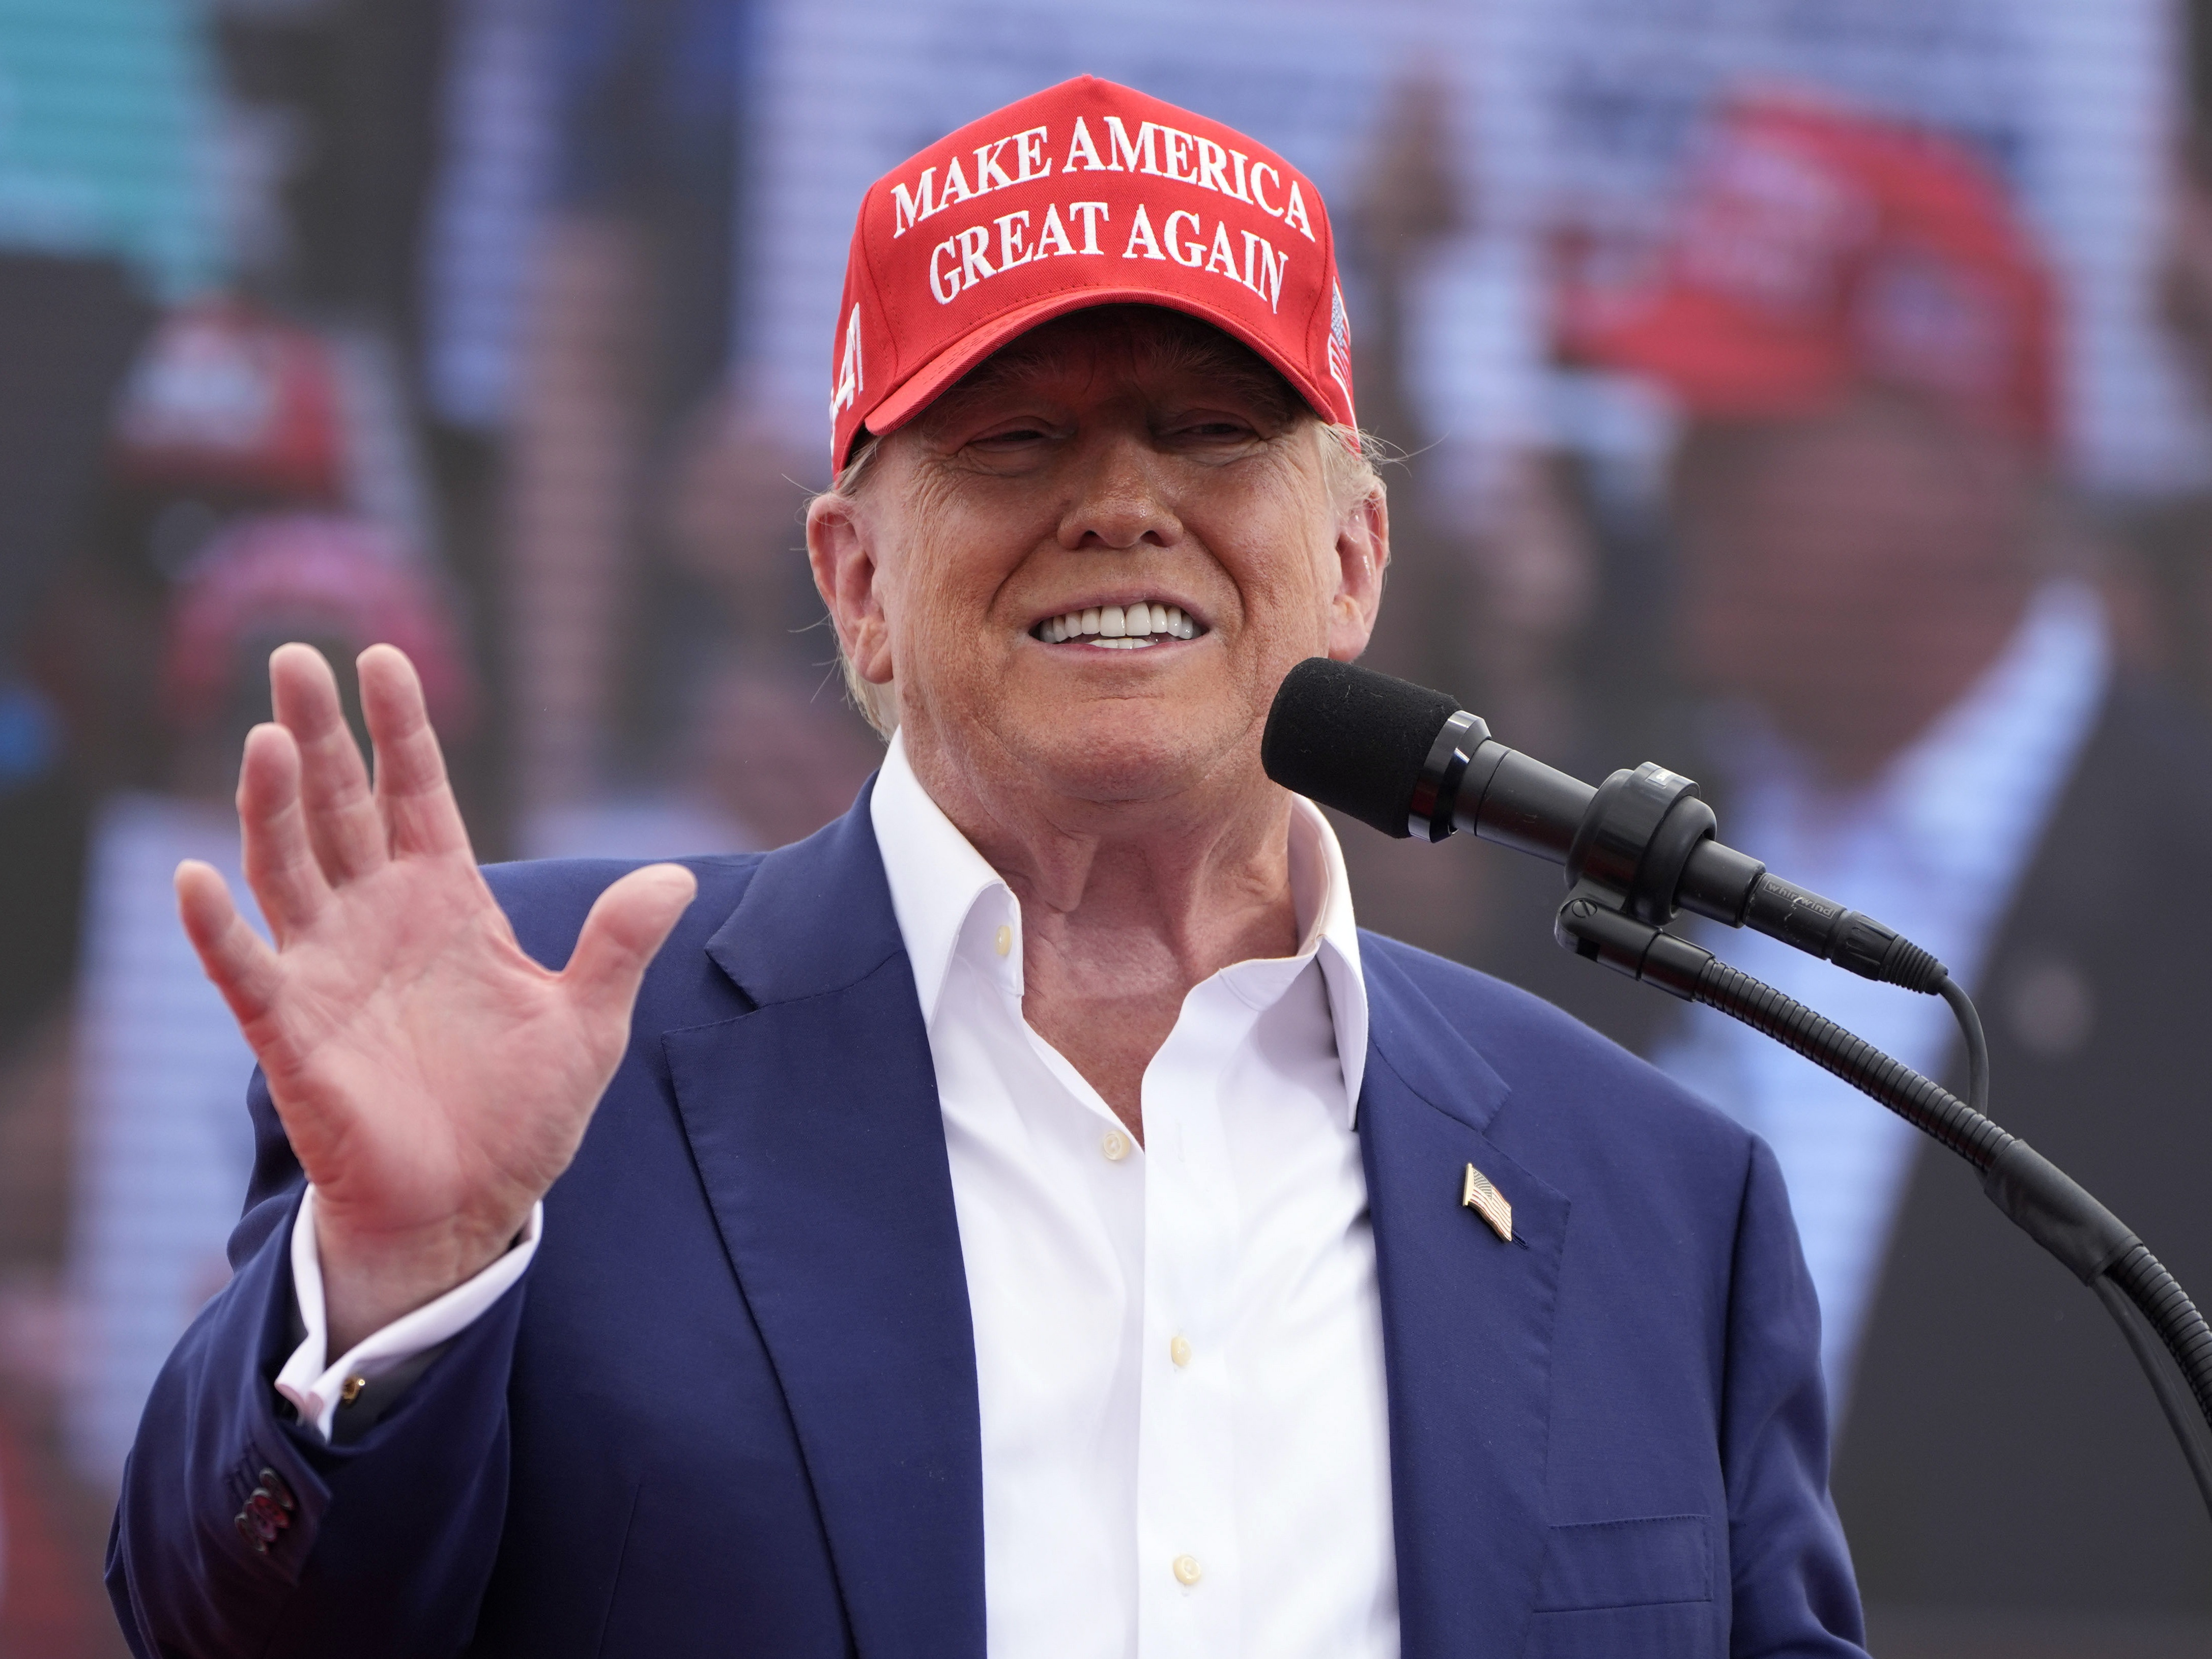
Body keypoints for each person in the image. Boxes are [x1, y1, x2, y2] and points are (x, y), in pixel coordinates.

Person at [107, 78, 1867, 1657]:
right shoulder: (549, 1031)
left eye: (1210, 429)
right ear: (856, 582)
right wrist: (405, 1284)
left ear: (1351, 560)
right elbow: (217, 1624)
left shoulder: (1658, 1197)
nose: (1119, 503)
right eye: (1015, 436)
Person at [1547, 92, 2212, 1638]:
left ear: (1964, 465)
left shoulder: (2184, 892)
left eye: (1745, 432)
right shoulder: (1598, 834)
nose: (1675, 482)